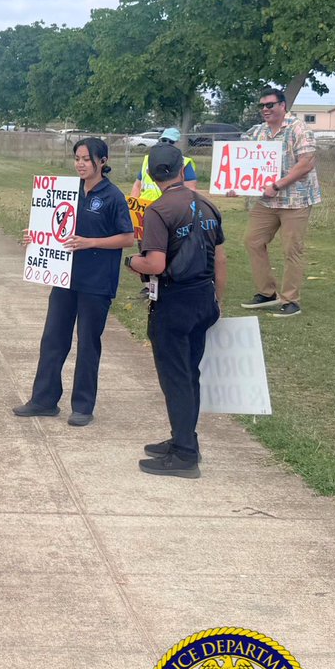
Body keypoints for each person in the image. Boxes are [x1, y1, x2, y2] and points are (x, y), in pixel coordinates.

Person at [13, 138, 136, 426]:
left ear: (102, 161)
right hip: (64, 277)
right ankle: (43, 399)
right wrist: (37, 239)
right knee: (53, 338)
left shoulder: (112, 196)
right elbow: (56, 227)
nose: (80, 164)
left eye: (86, 159)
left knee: (88, 343)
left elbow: (128, 238)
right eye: (77, 158)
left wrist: (91, 241)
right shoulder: (66, 191)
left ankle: (82, 406)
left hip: (96, 281)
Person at [126, 142, 226, 478]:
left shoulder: (159, 210)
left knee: (176, 377)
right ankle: (184, 438)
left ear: (153, 175)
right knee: (190, 373)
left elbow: (154, 262)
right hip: (203, 298)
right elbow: (221, 259)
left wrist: (131, 262)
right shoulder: (207, 205)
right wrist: (217, 299)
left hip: (174, 302)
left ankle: (184, 455)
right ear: (182, 170)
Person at [238, 87, 321, 318]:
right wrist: (234, 184)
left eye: (270, 105)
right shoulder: (257, 132)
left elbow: (306, 164)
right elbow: (240, 157)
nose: (265, 109)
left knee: (291, 249)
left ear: (283, 106)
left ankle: (291, 300)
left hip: (295, 200)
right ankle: (267, 293)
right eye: (262, 106)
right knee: (253, 241)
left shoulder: (299, 129)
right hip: (267, 202)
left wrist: (277, 186)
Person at [131, 128, 198, 204]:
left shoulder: (185, 163)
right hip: (146, 208)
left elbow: (190, 191)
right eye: (164, 140)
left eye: (171, 141)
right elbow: (137, 186)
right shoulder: (149, 160)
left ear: (178, 144)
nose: (167, 143)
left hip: (170, 208)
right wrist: (133, 205)